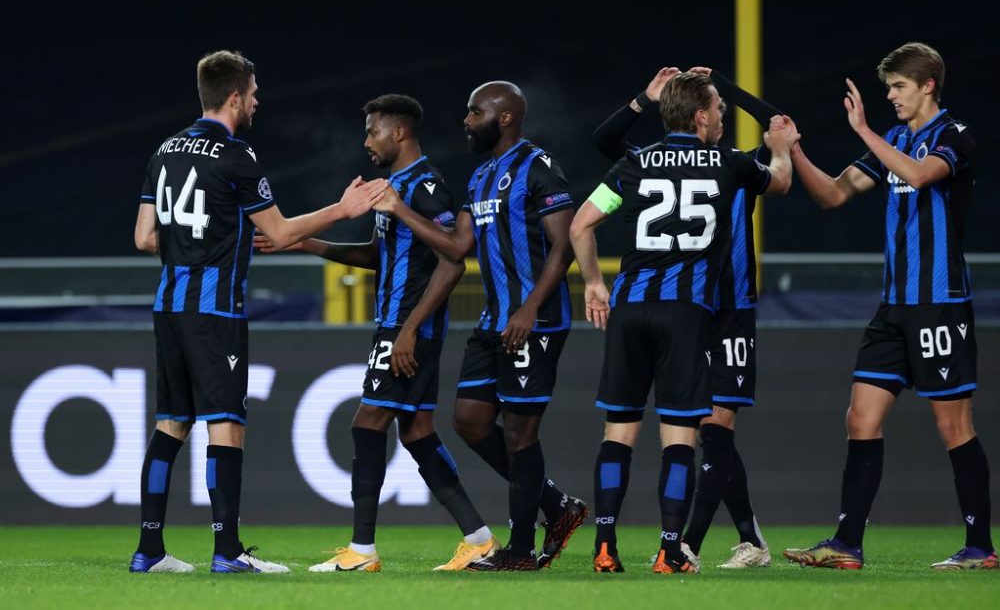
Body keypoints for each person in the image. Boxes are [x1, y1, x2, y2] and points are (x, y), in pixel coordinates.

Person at [131, 50, 386, 574]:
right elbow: (282, 232)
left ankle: (149, 550)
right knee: (225, 425)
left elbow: (142, 237)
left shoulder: (164, 151)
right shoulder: (237, 156)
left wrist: (197, 241)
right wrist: (344, 208)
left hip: (168, 305)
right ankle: (227, 552)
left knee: (170, 422)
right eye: (251, 93)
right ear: (233, 97)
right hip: (215, 310)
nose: (256, 101)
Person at [254, 94, 499, 571]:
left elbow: (453, 261)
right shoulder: (394, 185)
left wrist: (408, 330)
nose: (367, 141)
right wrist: (306, 243)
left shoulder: (424, 186)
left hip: (408, 328)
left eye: (373, 131)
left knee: (366, 425)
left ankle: (362, 550)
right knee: (418, 433)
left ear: (400, 132)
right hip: (400, 325)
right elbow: (376, 254)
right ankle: (480, 540)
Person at [570, 71, 794, 574]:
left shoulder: (636, 163)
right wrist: (778, 147)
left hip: (628, 311)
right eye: (717, 109)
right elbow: (779, 181)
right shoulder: (728, 163)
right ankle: (671, 549)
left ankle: (605, 546)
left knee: (617, 433)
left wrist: (592, 283)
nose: (721, 116)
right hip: (685, 314)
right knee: (679, 437)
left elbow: (582, 223)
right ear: (700, 116)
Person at [783, 42, 996, 570]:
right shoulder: (895, 139)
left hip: (939, 304)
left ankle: (980, 547)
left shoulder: (955, 136)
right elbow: (833, 195)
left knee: (953, 427)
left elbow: (922, 175)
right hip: (893, 309)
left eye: (898, 87)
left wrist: (862, 132)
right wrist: (795, 151)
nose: (891, 97)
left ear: (927, 85)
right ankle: (846, 544)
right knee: (860, 418)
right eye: (888, 89)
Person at [372, 81, 587, 571]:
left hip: (536, 320)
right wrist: (400, 209)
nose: (466, 122)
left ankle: (520, 550)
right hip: (494, 321)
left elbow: (564, 245)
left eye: (474, 113)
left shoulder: (538, 166)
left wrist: (531, 307)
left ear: (505, 116)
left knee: (519, 433)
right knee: (468, 419)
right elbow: (458, 244)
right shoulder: (480, 176)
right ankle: (556, 507)